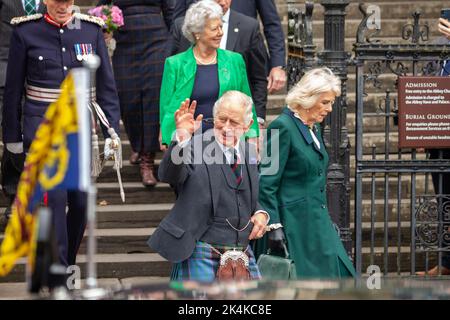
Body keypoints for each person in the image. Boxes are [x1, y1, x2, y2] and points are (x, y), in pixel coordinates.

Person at [2, 0, 121, 267]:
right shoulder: (26, 32)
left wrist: (110, 131)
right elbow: (13, 92)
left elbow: (105, 86)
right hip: (42, 130)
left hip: (80, 131)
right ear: (45, 1)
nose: (63, 6)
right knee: (54, 201)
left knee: (79, 204)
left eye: (68, 1)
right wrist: (13, 138)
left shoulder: (90, 30)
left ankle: (63, 260)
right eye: (57, 1)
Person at [148, 90, 269, 281]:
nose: (226, 127)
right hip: (201, 248)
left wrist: (261, 213)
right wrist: (181, 138)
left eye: (234, 122)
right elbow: (168, 175)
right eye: (222, 119)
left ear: (248, 126)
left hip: (241, 254)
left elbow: (247, 198)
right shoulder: (195, 147)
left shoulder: (250, 153)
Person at [254, 67, 356, 279]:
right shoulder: (281, 127)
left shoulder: (312, 126)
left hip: (316, 222)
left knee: (343, 277)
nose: (329, 109)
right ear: (308, 98)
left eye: (331, 102)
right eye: (325, 102)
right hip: (293, 226)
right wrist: (273, 226)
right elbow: (266, 181)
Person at [159, 0, 259, 148]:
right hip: (189, 143)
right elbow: (167, 107)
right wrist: (167, 136)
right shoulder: (175, 64)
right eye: (214, 29)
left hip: (227, 140)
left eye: (221, 26)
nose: (221, 32)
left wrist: (252, 136)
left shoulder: (235, 60)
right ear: (197, 33)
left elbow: (247, 102)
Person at [98, 0, 174, 187]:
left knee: (152, 98)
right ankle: (137, 145)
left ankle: (147, 160)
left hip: (157, 41)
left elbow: (170, 12)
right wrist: (105, 22)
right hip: (125, 42)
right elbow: (101, 8)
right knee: (127, 97)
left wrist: (175, 44)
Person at [173, 0, 286, 94]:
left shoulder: (247, 26)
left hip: (244, 61)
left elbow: (271, 23)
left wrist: (277, 65)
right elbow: (178, 23)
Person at [0, 0, 46, 228]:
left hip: (42, 78)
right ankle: (14, 195)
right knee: (13, 133)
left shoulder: (53, 3)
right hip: (6, 73)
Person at [416, 16, 450, 276]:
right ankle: (447, 263)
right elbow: (425, 88)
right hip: (439, 143)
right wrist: (419, 133)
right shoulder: (438, 49)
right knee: (445, 204)